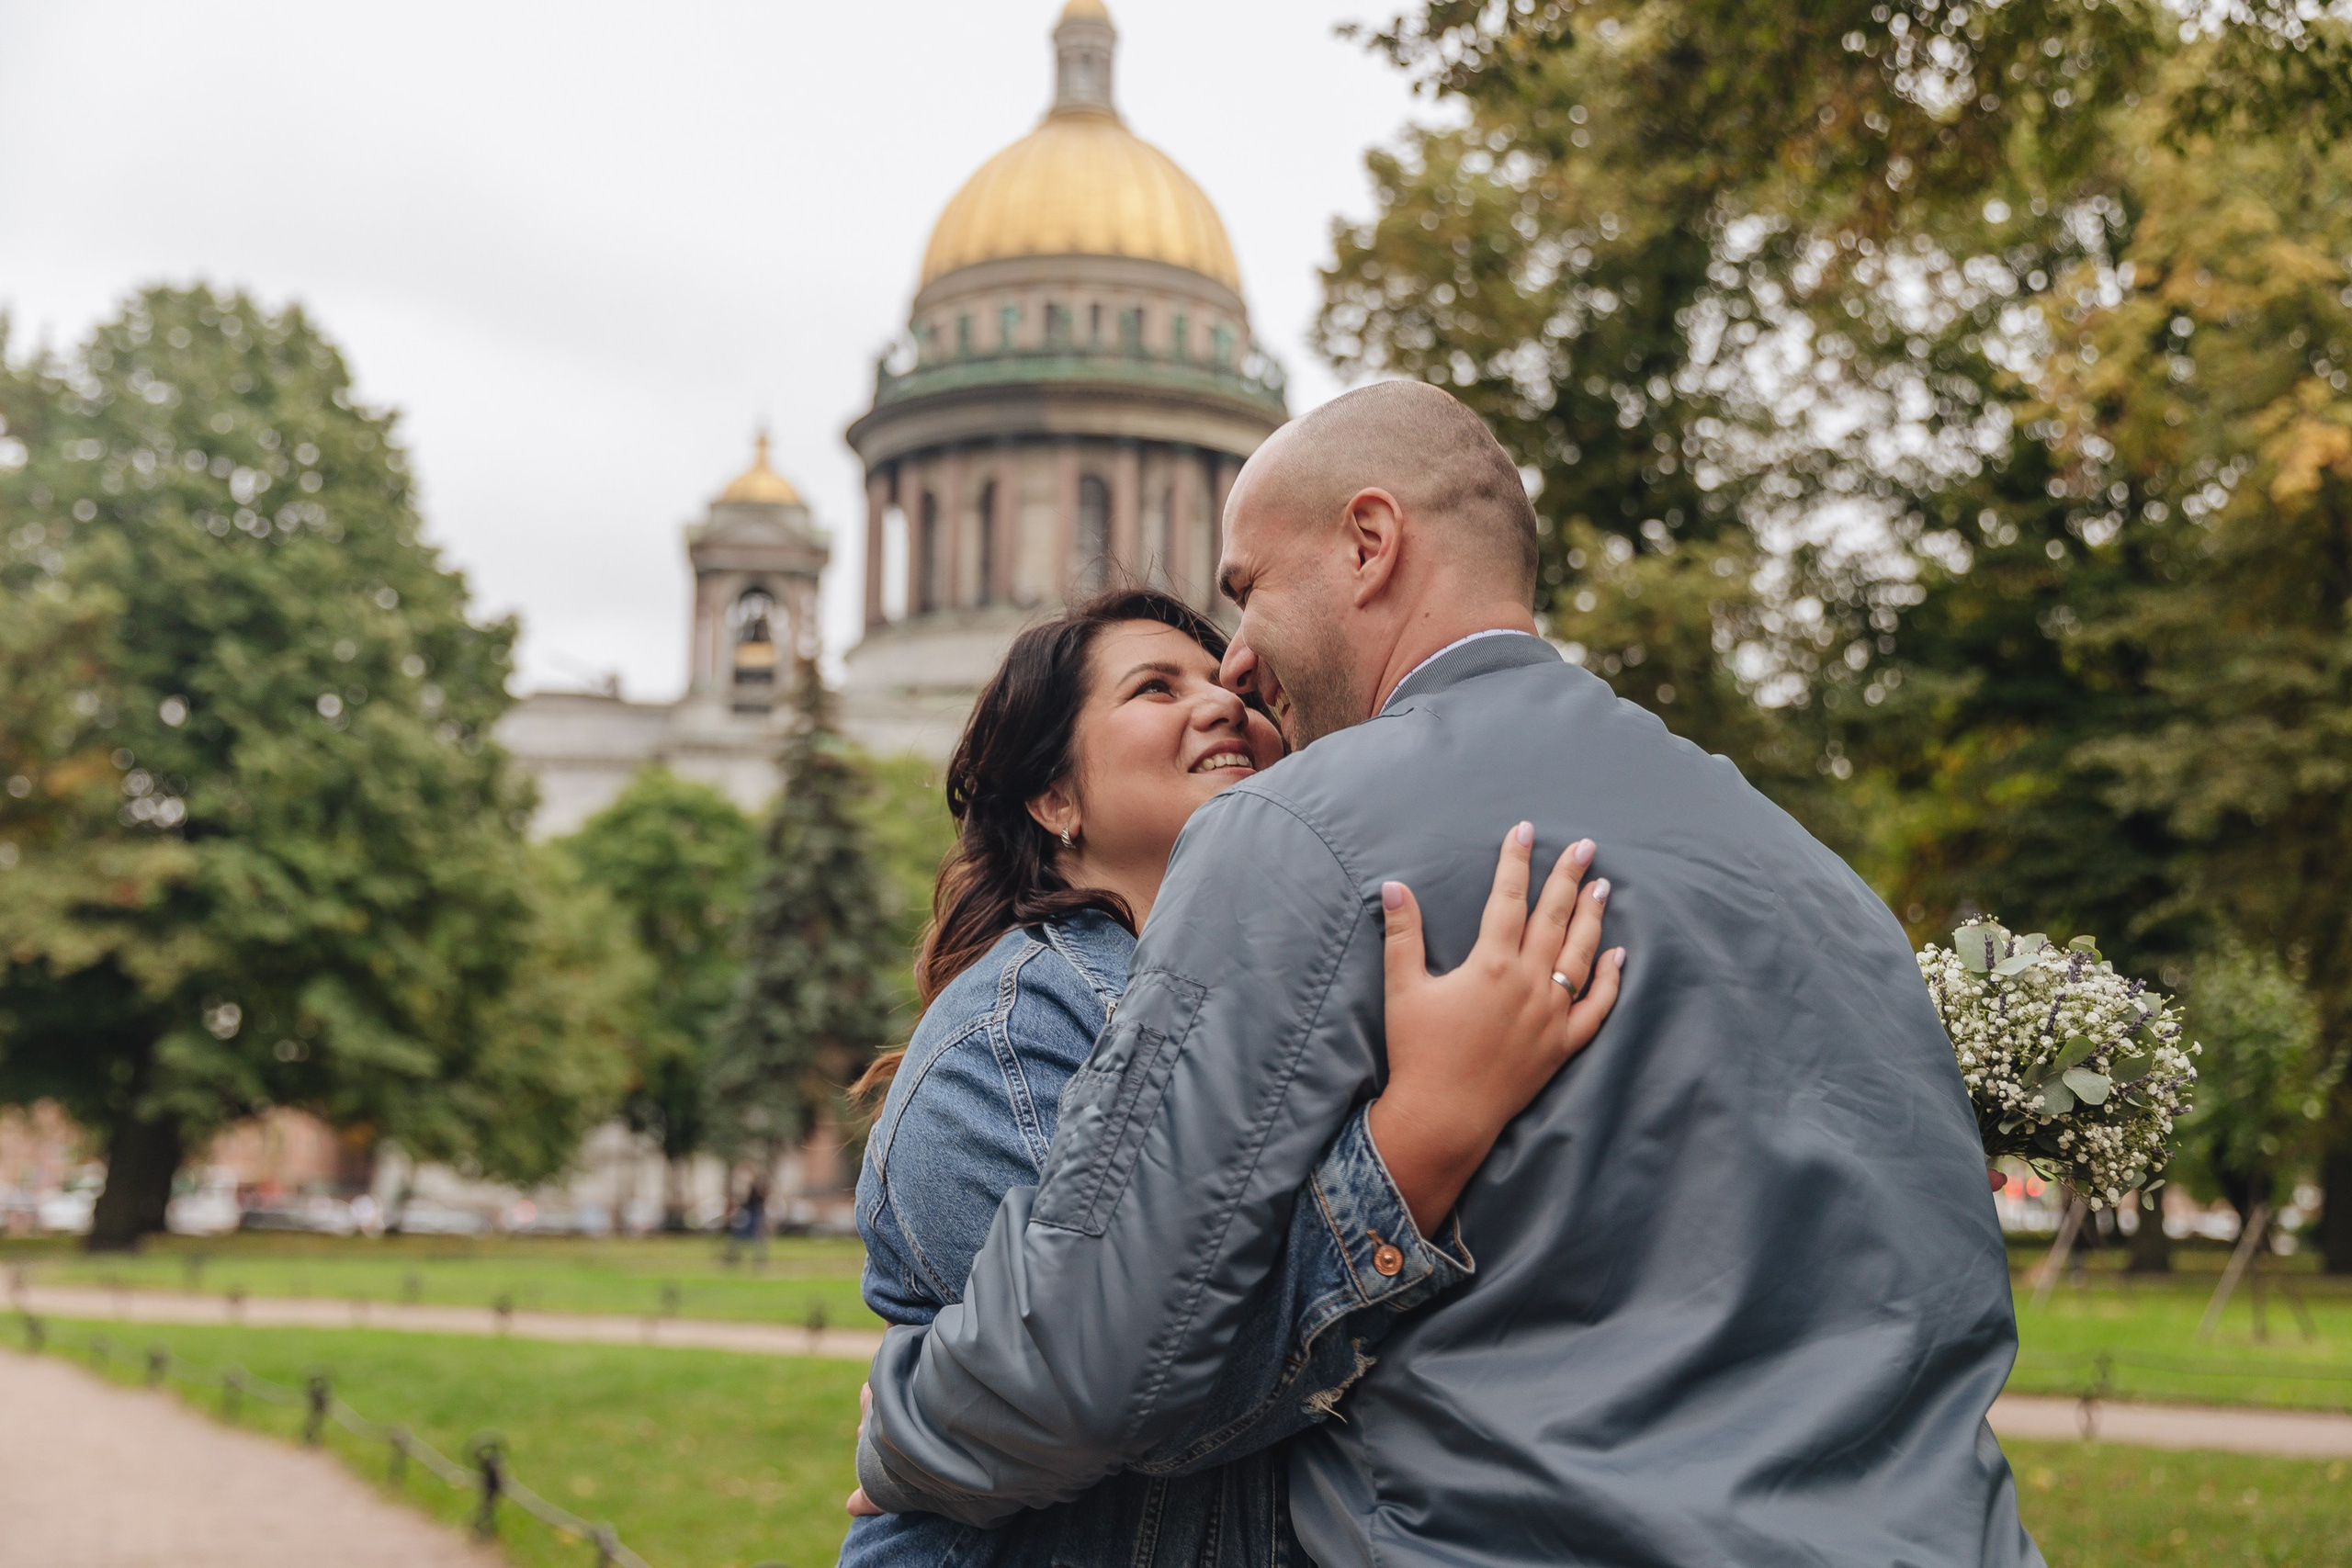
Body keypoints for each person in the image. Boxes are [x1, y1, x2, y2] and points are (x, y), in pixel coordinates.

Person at [854, 382, 2039, 1566]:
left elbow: (1095, 1356)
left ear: (1370, 543)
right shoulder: (1821, 880)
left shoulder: (1297, 833)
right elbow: (1938, 1287)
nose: (1243, 661)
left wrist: (903, 1426)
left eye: (1246, 591)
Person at [841, 588, 1622, 1567]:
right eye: (1155, 688)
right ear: (1055, 800)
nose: (1222, 705)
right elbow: (1120, 1389)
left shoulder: (1307, 996)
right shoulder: (1005, 1037)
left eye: (1227, 685)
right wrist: (1421, 1136)